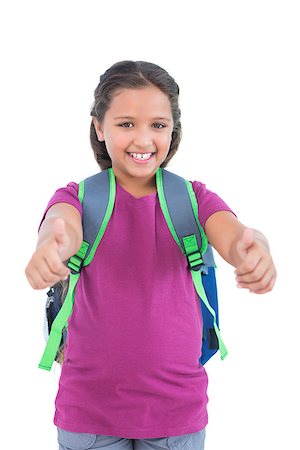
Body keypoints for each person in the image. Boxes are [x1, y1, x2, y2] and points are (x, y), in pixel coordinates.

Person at [25, 60, 277, 450]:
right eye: (126, 124)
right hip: (88, 415)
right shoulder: (76, 197)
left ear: (173, 130)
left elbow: (235, 233)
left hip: (176, 415)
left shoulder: (194, 198)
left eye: (158, 125)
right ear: (98, 127)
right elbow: (62, 226)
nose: (143, 140)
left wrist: (254, 247)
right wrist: (51, 246)